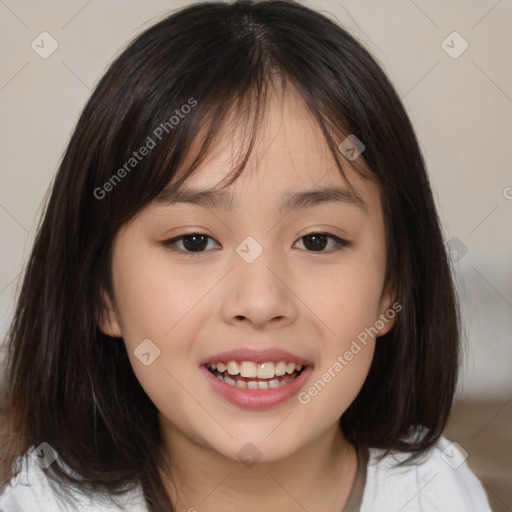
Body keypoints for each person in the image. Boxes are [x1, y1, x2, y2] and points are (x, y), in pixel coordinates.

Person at [0, 1, 492, 510]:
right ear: (101, 292)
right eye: (193, 241)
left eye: (317, 240)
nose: (259, 302)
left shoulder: (437, 493)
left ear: (394, 283)